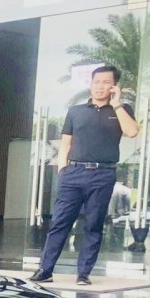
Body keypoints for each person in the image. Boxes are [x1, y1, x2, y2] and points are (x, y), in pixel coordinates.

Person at [31, 64, 139, 285]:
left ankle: (83, 273)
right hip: (74, 173)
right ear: (90, 84)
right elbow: (65, 144)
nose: (99, 86)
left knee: (93, 224)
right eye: (96, 82)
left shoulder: (122, 109)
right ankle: (45, 269)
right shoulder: (75, 111)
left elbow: (132, 131)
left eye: (106, 82)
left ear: (114, 86)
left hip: (103, 174)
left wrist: (117, 103)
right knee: (60, 222)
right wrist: (63, 170)